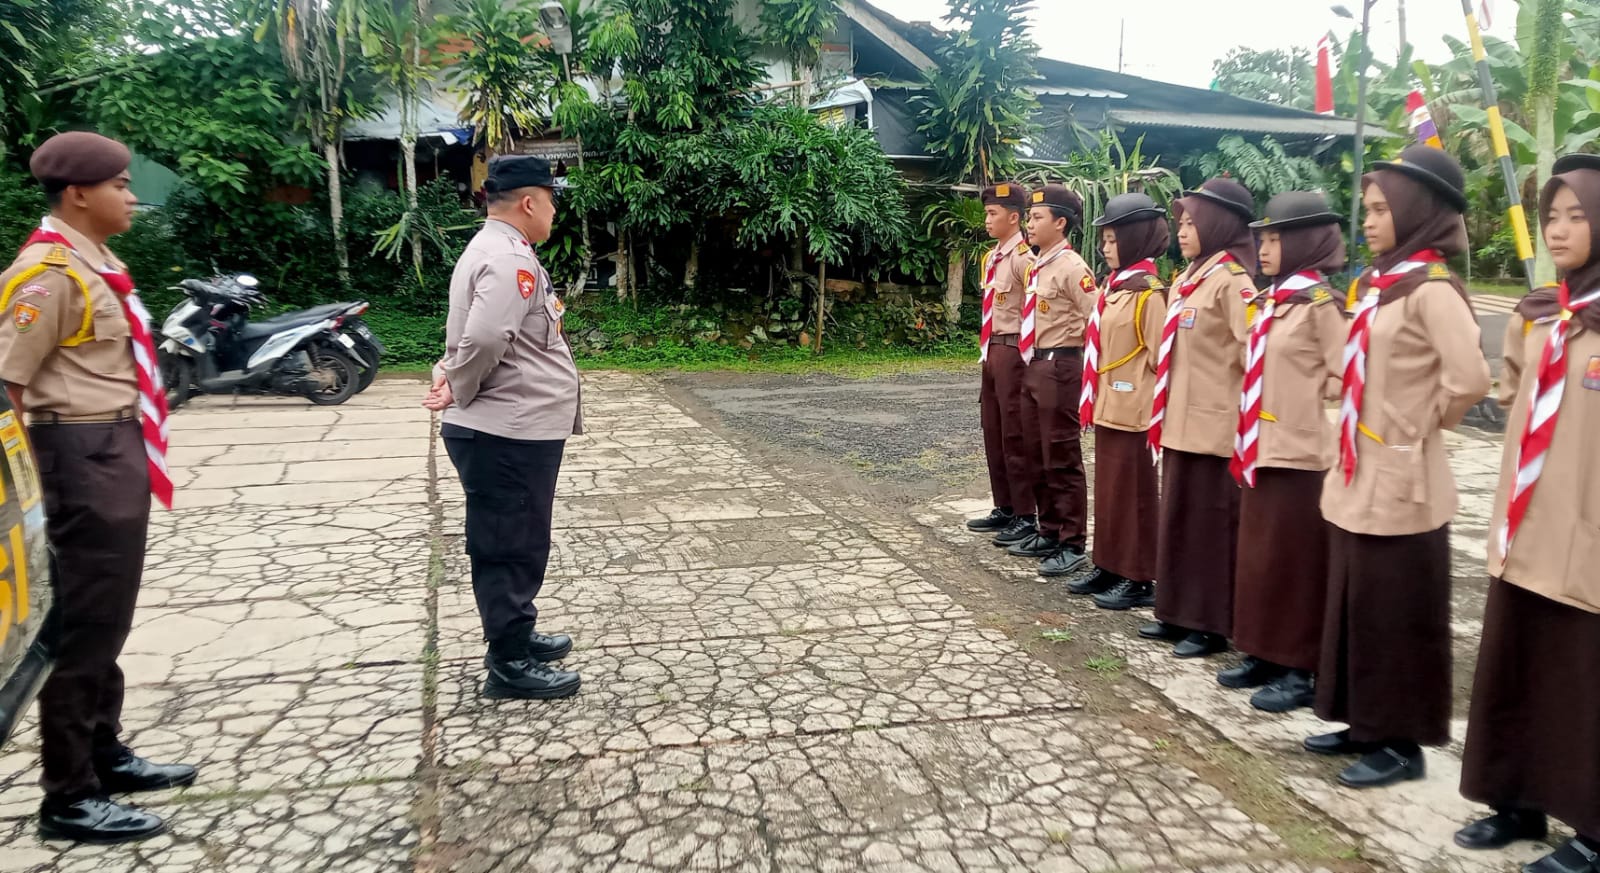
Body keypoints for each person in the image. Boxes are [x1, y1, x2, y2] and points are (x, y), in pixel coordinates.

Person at [0, 131, 196, 843]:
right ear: (78, 193)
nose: (130, 196)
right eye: (118, 184)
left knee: (107, 614)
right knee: (83, 623)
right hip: (74, 452)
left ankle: (104, 751)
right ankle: (69, 793)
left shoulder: (98, 262)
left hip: (114, 445)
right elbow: (7, 388)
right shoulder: (45, 274)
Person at [1307, 144, 1490, 789]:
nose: (1372, 221)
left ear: (1417, 213)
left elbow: (1471, 376)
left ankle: (1401, 740)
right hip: (1360, 467)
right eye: (1368, 209)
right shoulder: (1382, 284)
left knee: (1399, 613)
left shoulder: (1431, 290)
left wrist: (1421, 425)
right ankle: (1360, 719)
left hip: (1405, 479)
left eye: (1383, 210)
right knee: (1357, 602)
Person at [1454, 153, 1600, 873]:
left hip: (1588, 535)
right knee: (1518, 662)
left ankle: (1594, 831)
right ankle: (1514, 797)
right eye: (1553, 216)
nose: (1561, 228)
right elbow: (1511, 395)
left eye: (1578, 215)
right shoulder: (1538, 316)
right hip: (1524, 525)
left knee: (1581, 673)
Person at [425, 155, 582, 702]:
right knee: (509, 544)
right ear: (530, 202)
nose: (555, 211)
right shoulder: (508, 257)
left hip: (511, 427)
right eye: (552, 199)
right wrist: (459, 385)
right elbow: (488, 339)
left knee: (519, 538)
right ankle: (509, 664)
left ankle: (517, 632)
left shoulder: (496, 249)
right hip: (506, 430)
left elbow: (477, 337)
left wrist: (451, 377)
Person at [1220, 191, 1346, 712]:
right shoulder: (1274, 301)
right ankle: (1263, 651)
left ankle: (1300, 665)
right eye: (1263, 239)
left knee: (1294, 563)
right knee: (1261, 558)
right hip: (1258, 448)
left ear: (1303, 243)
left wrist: (1304, 405)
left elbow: (1345, 379)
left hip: (1299, 453)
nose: (1264, 249)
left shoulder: (1322, 306)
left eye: (1275, 239)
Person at [1140, 178, 1256, 659]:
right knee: (1180, 520)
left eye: (1193, 223)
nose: (1182, 231)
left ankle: (1208, 623)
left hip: (1214, 427)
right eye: (1182, 222)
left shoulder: (1234, 283)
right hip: (1180, 422)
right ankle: (1176, 610)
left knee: (1210, 526)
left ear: (1219, 224)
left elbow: (1258, 353)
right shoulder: (1190, 279)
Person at [1072, 193, 1169, 611]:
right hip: (1110, 405)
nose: (1105, 247)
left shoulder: (1149, 294)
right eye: (1104, 240)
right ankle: (1109, 563)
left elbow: (1162, 359)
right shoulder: (1116, 288)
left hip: (1136, 411)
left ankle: (1139, 574)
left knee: (1136, 497)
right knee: (1110, 493)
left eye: (1112, 240)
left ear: (1134, 239)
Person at [1007, 184, 1097, 575]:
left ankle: (1072, 542)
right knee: (1035, 452)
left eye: (1037, 217)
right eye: (1028, 216)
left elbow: (1097, 320)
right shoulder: (1038, 264)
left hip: (1061, 365)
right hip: (1035, 363)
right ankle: (1048, 529)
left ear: (1061, 223)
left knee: (1061, 456)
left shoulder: (1074, 268)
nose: (1029, 222)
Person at [966, 183, 1040, 549]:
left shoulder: (1026, 260)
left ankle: (1026, 513)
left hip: (1014, 350)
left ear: (1014, 217)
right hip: (991, 348)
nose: (987, 220)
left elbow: (1035, 315)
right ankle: (1005, 505)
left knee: (1015, 432)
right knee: (992, 429)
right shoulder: (991, 257)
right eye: (986, 213)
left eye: (993, 213)